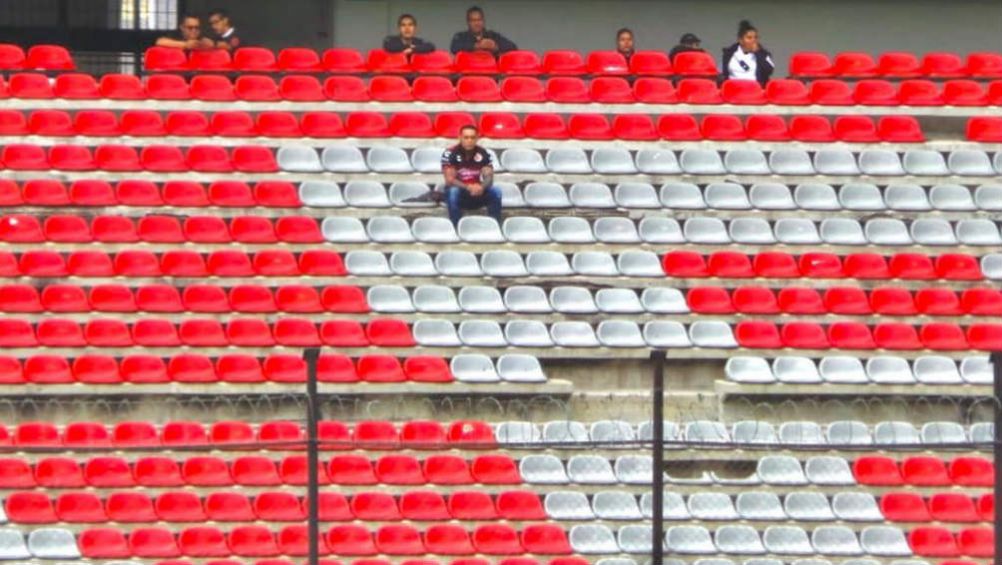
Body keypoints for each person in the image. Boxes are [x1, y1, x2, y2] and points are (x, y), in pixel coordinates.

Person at [440, 125, 502, 227]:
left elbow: (489, 177)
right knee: (453, 191)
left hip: (477, 192)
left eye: (472, 137)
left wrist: (481, 186)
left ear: (477, 138)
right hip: (460, 192)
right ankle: (456, 227)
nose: (469, 140)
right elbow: (450, 180)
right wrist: (469, 187)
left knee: (496, 191)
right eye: (466, 137)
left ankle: (495, 226)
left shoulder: (483, 153)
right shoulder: (450, 153)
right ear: (460, 137)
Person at [721, 20, 774, 86]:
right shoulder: (729, 53)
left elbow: (769, 70)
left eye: (756, 38)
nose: (753, 40)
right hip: (733, 90)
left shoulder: (764, 54)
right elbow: (723, 72)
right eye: (749, 38)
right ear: (740, 40)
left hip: (754, 90)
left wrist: (758, 53)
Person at [450, 6, 517, 55]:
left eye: (479, 20)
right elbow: (454, 48)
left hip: (490, 72)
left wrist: (495, 47)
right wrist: (477, 46)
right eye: (473, 20)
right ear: (468, 22)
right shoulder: (461, 36)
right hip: (467, 72)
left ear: (483, 21)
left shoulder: (492, 35)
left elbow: (513, 47)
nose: (477, 23)